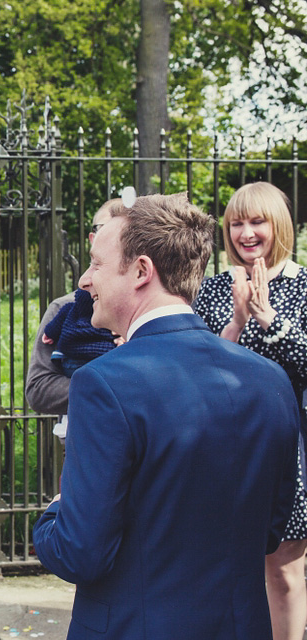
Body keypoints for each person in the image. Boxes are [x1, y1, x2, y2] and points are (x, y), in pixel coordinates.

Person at [32, 193, 301, 639]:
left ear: (141, 270)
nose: (84, 280)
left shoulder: (103, 384)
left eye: (97, 264)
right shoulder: (270, 379)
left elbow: (79, 553)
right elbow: (270, 531)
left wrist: (52, 514)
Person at [193, 181, 307, 640]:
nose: (246, 233)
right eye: (236, 223)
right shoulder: (214, 288)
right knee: (229, 570)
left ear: (277, 225)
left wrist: (268, 319)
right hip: (226, 443)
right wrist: (238, 322)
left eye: (256, 221)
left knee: (283, 570)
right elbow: (200, 363)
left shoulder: (302, 286)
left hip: (286, 444)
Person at [25, 200, 122, 442]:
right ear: (93, 239)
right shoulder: (65, 308)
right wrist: (109, 387)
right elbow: (38, 389)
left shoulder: (151, 309)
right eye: (106, 229)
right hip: (83, 443)